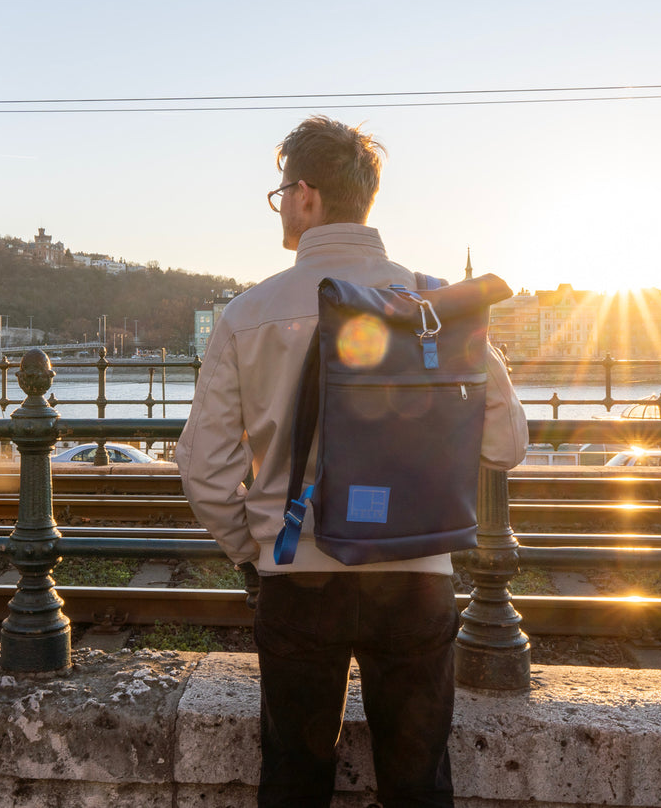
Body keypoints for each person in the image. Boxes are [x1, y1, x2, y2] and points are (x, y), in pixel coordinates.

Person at [176, 115, 528, 808]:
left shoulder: (248, 314)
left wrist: (254, 551)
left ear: (306, 195)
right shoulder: (435, 305)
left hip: (297, 575)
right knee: (418, 785)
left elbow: (205, 470)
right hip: (418, 574)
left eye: (281, 195)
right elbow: (506, 445)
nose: (282, 207)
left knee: (293, 782)